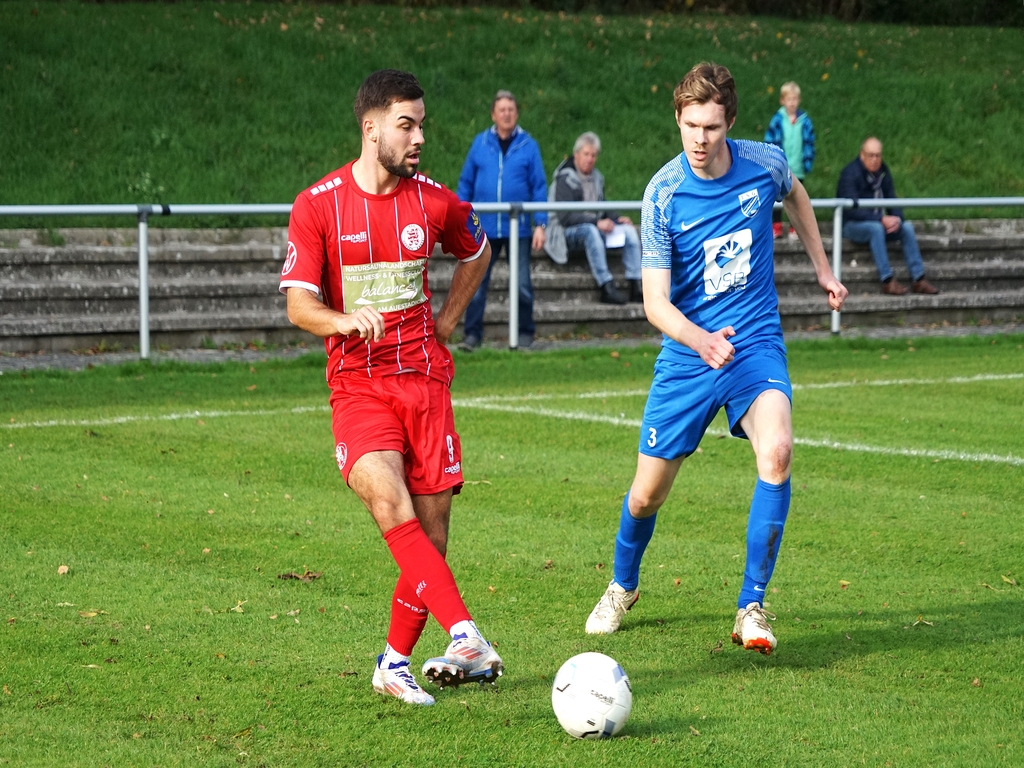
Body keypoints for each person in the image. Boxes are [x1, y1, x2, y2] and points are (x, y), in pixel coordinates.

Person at [585, 62, 847, 656]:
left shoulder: (764, 164)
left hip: (754, 342)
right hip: (688, 354)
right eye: (690, 126)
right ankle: (623, 585)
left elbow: (796, 195)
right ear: (677, 119)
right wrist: (700, 340)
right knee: (646, 496)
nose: (699, 139)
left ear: (730, 122)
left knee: (777, 451)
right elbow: (655, 303)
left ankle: (752, 605)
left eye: (711, 126)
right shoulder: (663, 194)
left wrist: (823, 269)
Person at [280, 69, 502, 706]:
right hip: (359, 385)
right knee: (389, 502)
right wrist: (342, 320)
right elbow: (298, 304)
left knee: (431, 541)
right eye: (406, 125)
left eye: (422, 125)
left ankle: (393, 663)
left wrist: (449, 320)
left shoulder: (433, 202)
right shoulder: (318, 204)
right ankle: (465, 634)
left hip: (425, 383)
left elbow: (478, 251)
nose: (419, 137)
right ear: (371, 128)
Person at [457, 90, 548, 350]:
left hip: (518, 228)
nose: (506, 114)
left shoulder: (528, 145)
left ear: (516, 114)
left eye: (511, 109)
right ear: (493, 115)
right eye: (502, 110)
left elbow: (539, 187)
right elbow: (466, 183)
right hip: (484, 228)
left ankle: (525, 334)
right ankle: (472, 336)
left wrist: (541, 224)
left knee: (522, 284)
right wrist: (460, 219)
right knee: (476, 282)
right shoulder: (480, 143)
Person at [548, 132, 642, 304]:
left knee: (629, 231)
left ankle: (636, 285)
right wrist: (597, 222)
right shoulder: (564, 179)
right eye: (586, 154)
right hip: (565, 232)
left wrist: (618, 218)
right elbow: (565, 217)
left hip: (594, 226)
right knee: (590, 231)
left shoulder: (597, 177)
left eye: (593, 155)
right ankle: (606, 286)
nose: (590, 159)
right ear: (576, 154)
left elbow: (602, 206)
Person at [837, 137, 939, 295]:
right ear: (862, 155)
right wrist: (881, 219)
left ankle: (919, 279)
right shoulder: (850, 173)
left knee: (906, 228)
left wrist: (896, 219)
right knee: (876, 229)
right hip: (851, 225)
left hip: (876, 222)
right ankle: (887, 280)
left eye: (878, 155)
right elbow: (852, 210)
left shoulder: (883, 172)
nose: (875, 160)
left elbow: (892, 199)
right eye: (871, 155)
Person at [763, 81, 815, 238]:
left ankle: (795, 227)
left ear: (799, 100)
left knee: (796, 198)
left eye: (794, 99)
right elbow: (769, 142)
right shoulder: (778, 120)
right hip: (781, 167)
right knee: (777, 196)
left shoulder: (804, 121)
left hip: (798, 167)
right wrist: (772, 162)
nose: (792, 103)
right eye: (789, 99)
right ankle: (776, 226)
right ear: (782, 101)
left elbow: (810, 142)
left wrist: (808, 160)